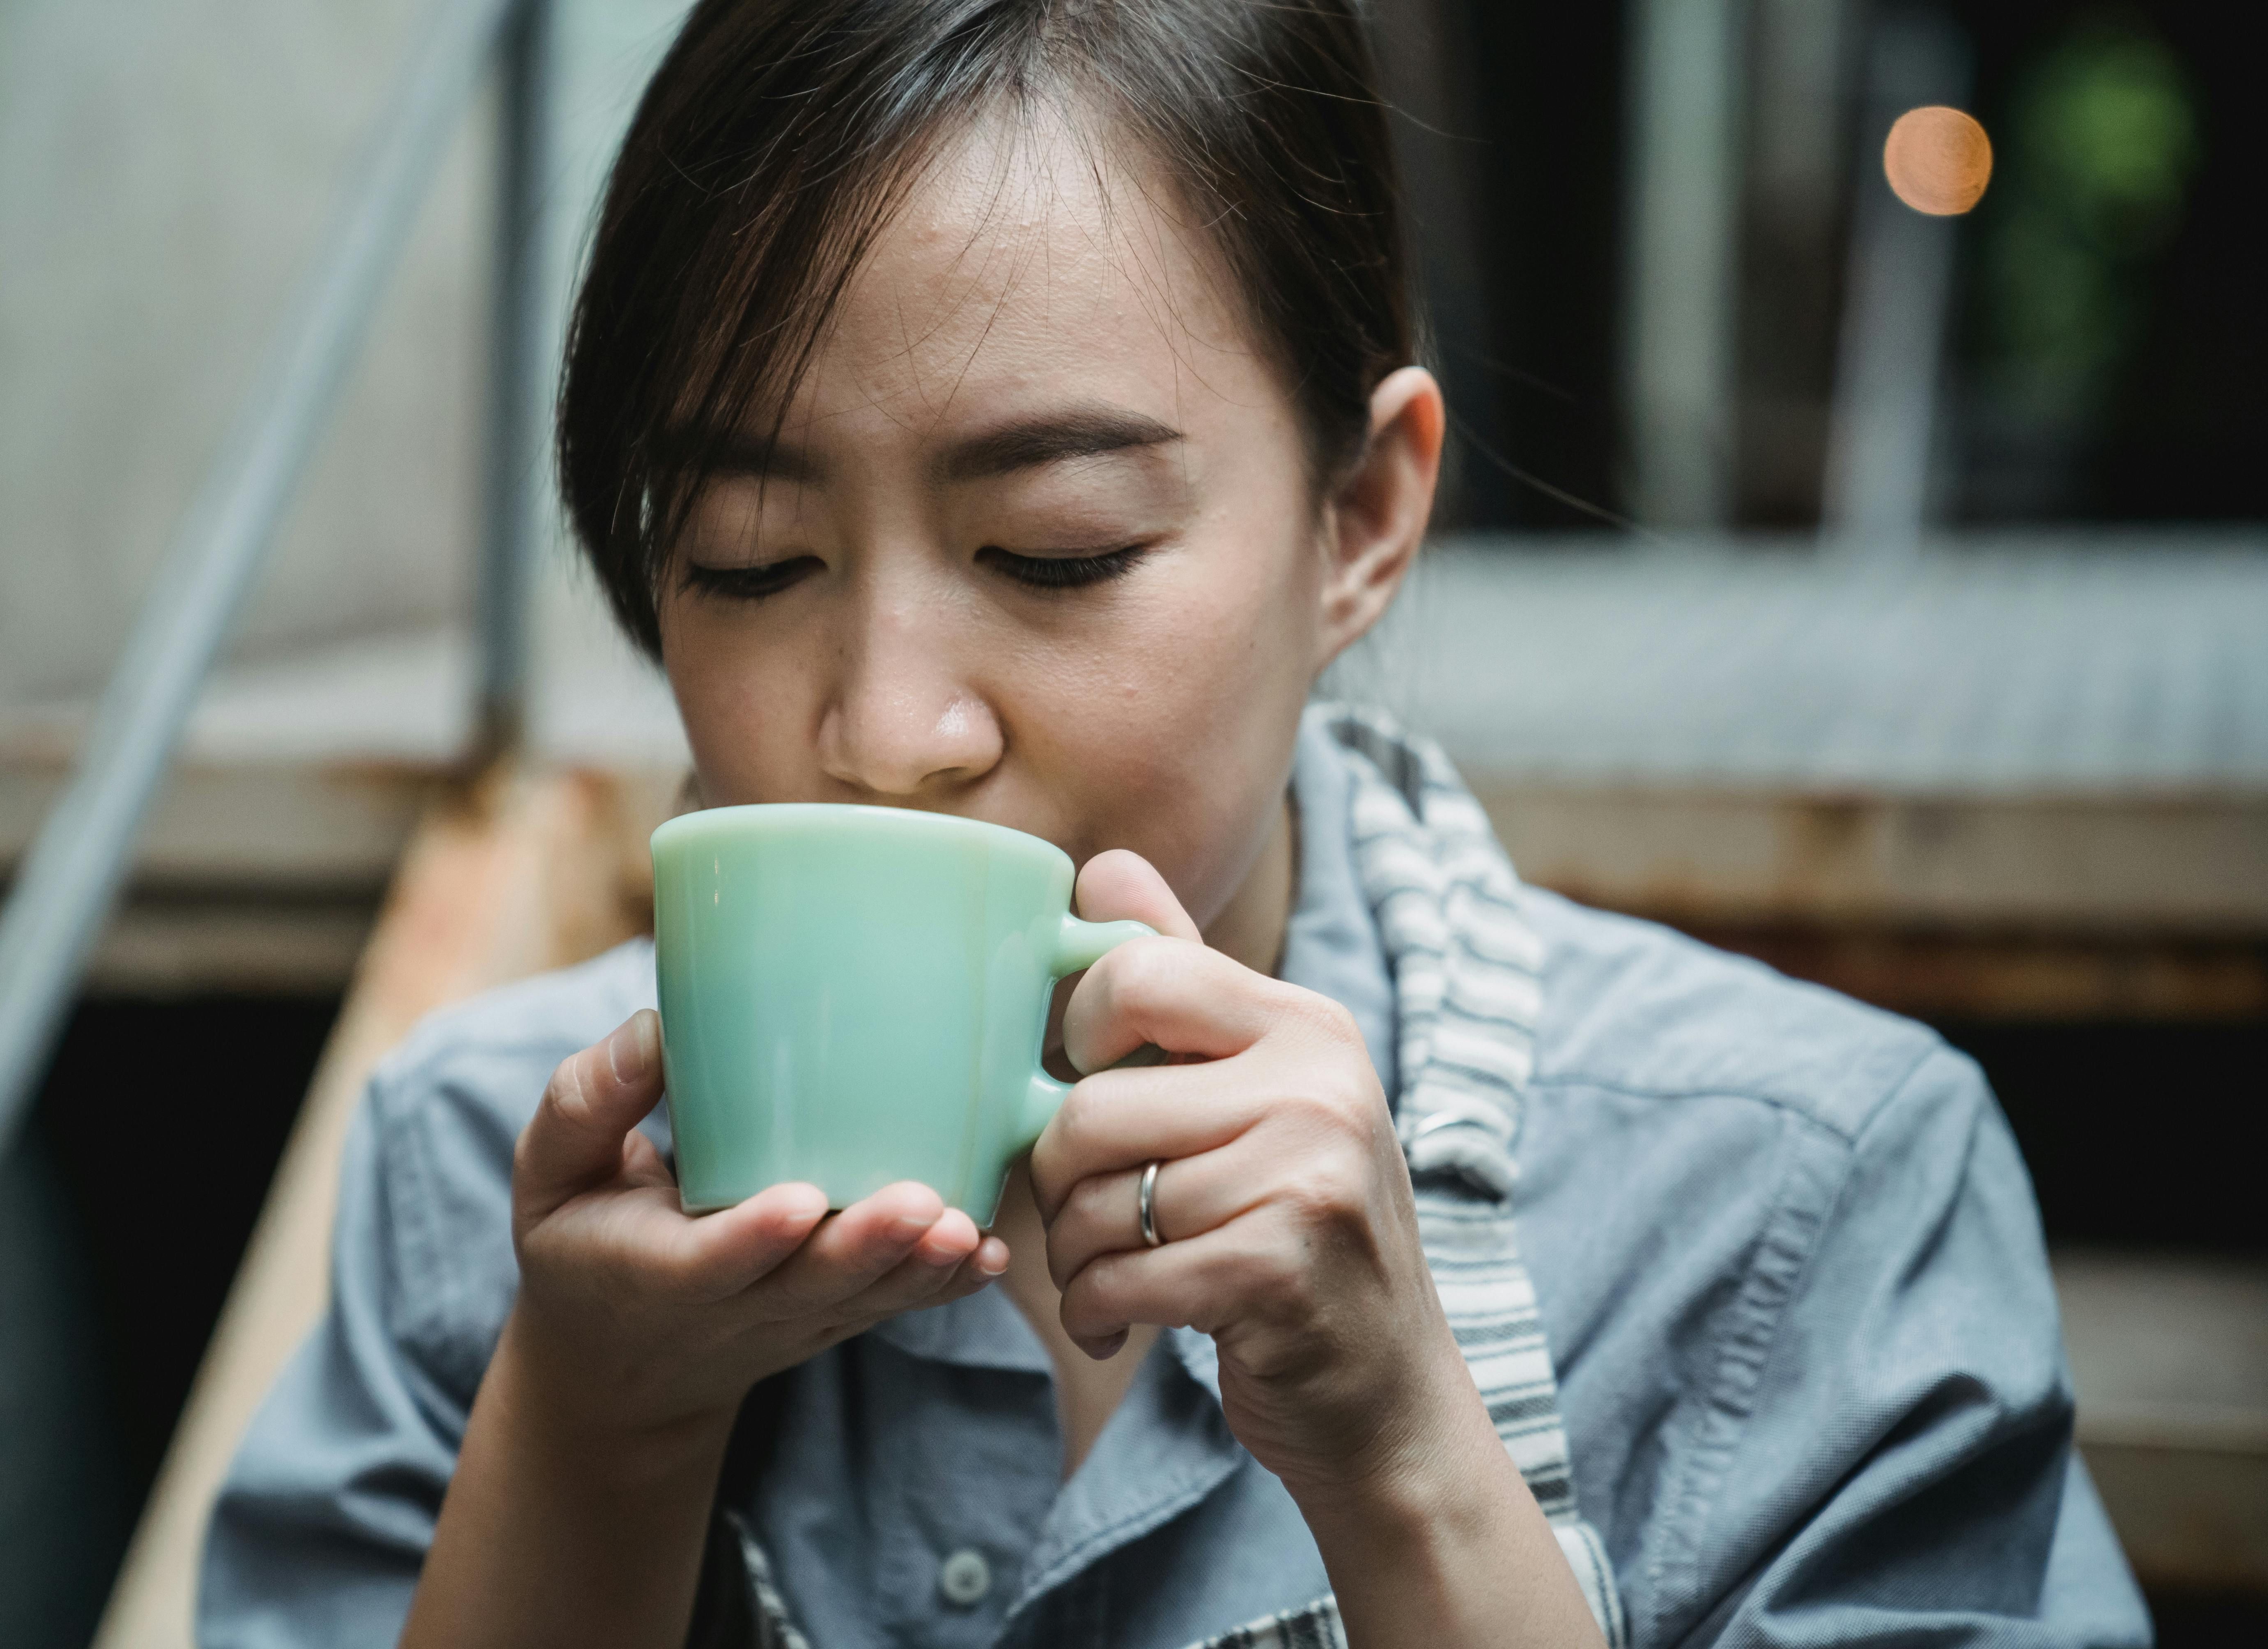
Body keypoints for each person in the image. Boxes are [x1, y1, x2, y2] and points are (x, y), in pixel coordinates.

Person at [200, 2, 2151, 1645]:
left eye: (1058, 554)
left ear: (1361, 519)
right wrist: (593, 1432)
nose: (890, 727)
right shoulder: (486, 1174)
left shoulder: (1787, 1201)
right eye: (752, 556)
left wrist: (1402, 1456)